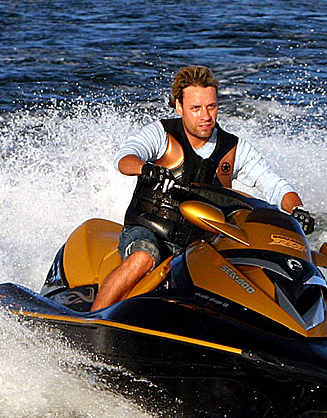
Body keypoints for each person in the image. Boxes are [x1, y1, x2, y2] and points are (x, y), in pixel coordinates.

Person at [91, 65, 313, 312]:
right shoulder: (161, 134)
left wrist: (297, 209)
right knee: (145, 257)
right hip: (148, 230)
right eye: (196, 108)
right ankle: (92, 322)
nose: (205, 116)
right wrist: (145, 168)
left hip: (200, 243)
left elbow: (275, 184)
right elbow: (125, 158)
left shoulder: (235, 149)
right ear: (179, 107)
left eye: (211, 106)